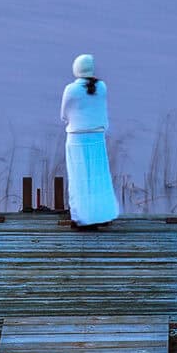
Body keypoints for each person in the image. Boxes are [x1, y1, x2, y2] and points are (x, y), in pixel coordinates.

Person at [60, 53, 121, 226]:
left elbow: (64, 115)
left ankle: (81, 217)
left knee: (79, 177)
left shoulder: (71, 89)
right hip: (97, 137)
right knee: (99, 176)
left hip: (77, 138)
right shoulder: (102, 87)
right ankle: (102, 215)